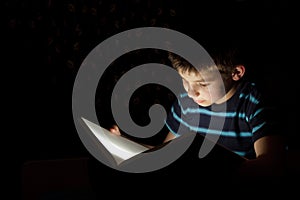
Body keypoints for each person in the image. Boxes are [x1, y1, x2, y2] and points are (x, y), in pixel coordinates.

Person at [109, 39, 287, 180]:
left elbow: (271, 165)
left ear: (236, 73)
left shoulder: (254, 103)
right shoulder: (187, 105)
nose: (191, 91)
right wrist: (123, 142)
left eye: (202, 84)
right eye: (184, 80)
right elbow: (164, 153)